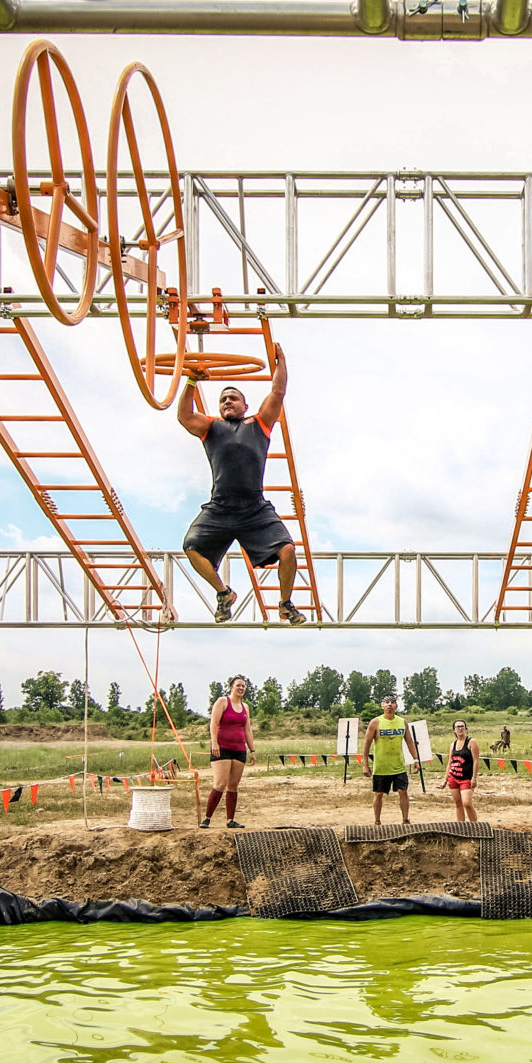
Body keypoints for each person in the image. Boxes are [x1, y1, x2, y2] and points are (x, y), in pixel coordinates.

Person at [176, 347, 305, 625]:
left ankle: (285, 604)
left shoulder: (258, 424)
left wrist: (281, 363)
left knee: (288, 551)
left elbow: (278, 393)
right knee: (191, 547)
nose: (227, 402)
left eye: (233, 398)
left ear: (245, 406)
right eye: (223, 399)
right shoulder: (211, 426)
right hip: (220, 507)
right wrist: (190, 381)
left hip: (254, 508)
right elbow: (185, 417)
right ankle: (224, 594)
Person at [204, 675, 253, 829]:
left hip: (239, 749)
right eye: (238, 685)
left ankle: (230, 820)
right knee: (220, 783)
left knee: (233, 786)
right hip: (222, 748)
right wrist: (214, 742)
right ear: (231, 687)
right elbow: (214, 723)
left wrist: (252, 749)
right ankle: (207, 819)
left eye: (243, 686)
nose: (241, 688)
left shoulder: (245, 707)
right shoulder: (222, 702)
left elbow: (248, 729)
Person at [361, 696, 412, 825]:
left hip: (399, 765)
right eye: (387, 703)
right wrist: (365, 765)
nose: (390, 705)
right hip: (382, 766)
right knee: (379, 794)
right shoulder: (375, 722)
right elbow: (367, 744)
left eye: (393, 702)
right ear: (382, 706)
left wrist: (416, 759)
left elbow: (410, 742)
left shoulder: (402, 722)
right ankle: (377, 821)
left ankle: (405, 819)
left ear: (396, 706)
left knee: (403, 791)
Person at [442, 718, 479, 823]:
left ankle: (475, 827)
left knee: (467, 803)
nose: (460, 728)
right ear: (454, 730)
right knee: (458, 804)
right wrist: (445, 780)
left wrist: (474, 778)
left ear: (466, 728)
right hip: (453, 777)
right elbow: (450, 762)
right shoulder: (453, 744)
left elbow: (476, 761)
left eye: (462, 726)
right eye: (458, 726)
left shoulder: (471, 742)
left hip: (466, 778)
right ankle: (460, 827)